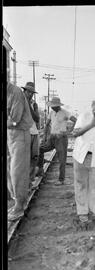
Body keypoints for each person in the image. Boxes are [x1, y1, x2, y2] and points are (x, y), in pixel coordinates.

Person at [7, 82, 34, 221]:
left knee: (18, 171)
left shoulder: (15, 92)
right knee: (10, 169)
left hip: (20, 134)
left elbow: (15, 119)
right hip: (10, 134)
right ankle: (15, 199)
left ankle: (19, 205)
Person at [37, 97, 77, 185]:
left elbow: (75, 120)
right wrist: (44, 137)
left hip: (61, 139)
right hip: (52, 137)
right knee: (40, 149)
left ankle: (61, 180)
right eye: (51, 106)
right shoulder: (51, 113)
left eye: (53, 106)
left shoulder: (65, 113)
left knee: (62, 160)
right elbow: (47, 124)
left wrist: (69, 131)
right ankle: (40, 169)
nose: (52, 107)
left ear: (58, 106)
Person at [22, 82, 40, 186]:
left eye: (32, 93)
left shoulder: (34, 104)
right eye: (28, 92)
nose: (30, 94)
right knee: (25, 157)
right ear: (24, 91)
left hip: (34, 133)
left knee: (34, 157)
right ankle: (24, 181)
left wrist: (29, 104)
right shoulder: (19, 102)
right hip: (24, 133)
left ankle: (30, 179)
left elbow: (37, 118)